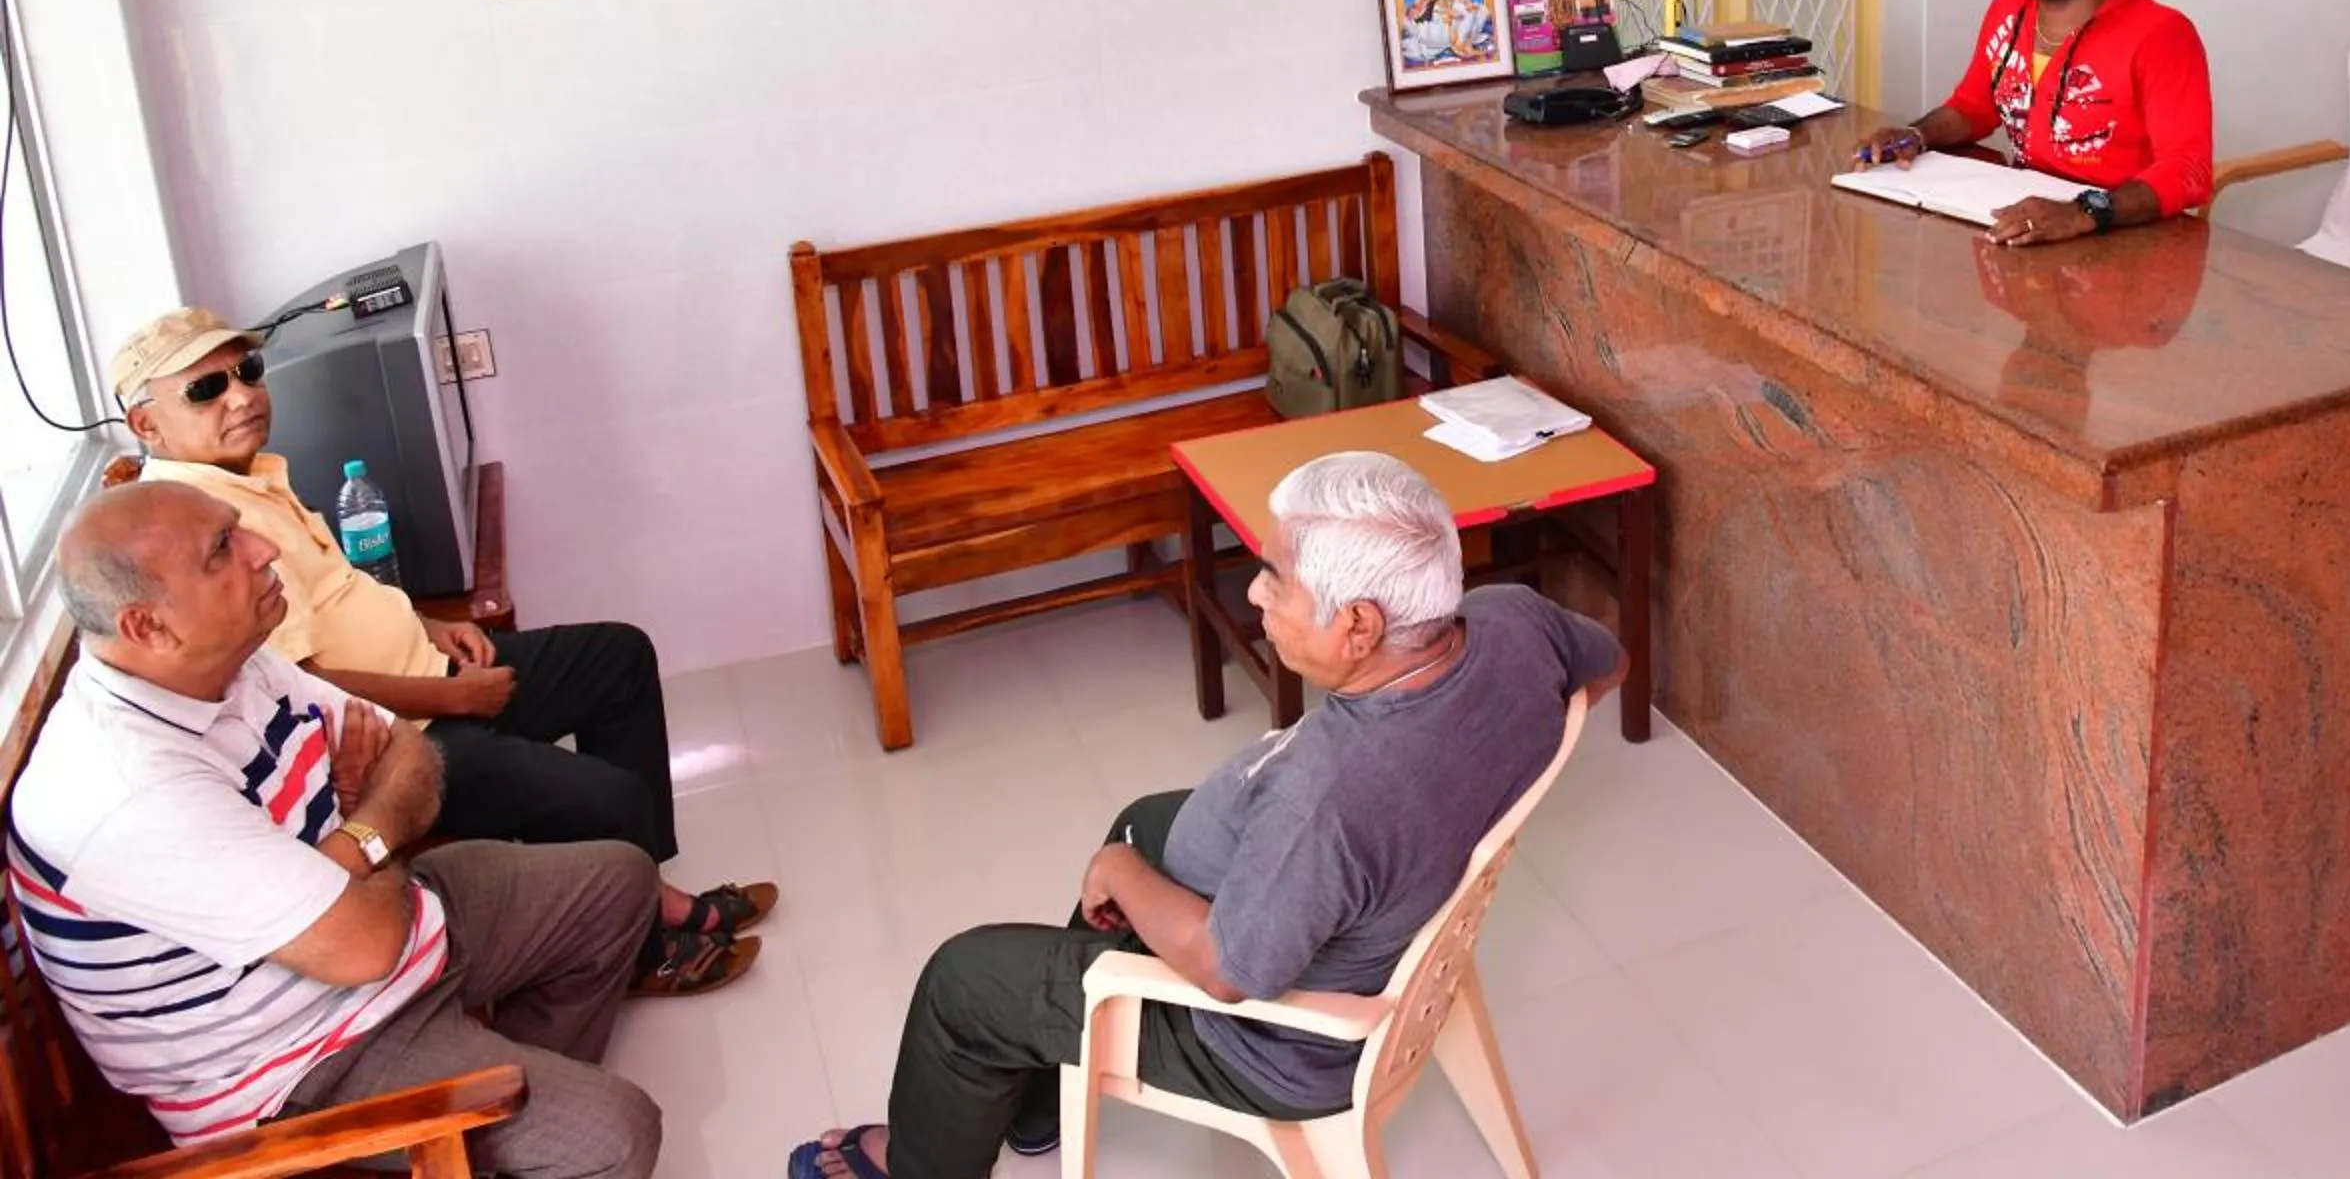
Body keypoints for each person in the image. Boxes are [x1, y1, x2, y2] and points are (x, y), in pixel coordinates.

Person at [795, 452, 1621, 1179]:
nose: (1255, 592)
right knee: (1142, 824)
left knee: (963, 980)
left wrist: (1119, 874)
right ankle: (1040, 1096)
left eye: (1277, 576)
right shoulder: (1514, 619)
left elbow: (1229, 970)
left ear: (1360, 626)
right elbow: (1605, 666)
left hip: (1261, 1045)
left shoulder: (1331, 803)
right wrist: (1473, 777)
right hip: (1353, 890)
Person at [111, 305, 772, 996]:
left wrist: (430, 627)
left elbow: (343, 592)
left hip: (431, 675)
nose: (242, 395)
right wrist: (454, 697)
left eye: (245, 371)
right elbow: (308, 684)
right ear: (147, 424)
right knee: (606, 795)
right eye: (204, 389)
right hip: (398, 737)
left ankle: (647, 893)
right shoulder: (203, 527)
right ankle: (645, 947)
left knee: (618, 658)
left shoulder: (251, 475)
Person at [9, 481, 663, 1177]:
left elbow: (412, 755)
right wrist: (369, 827)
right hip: (300, 1062)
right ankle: (498, 1116)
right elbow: (365, 948)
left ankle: (494, 1115)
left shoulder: (232, 659)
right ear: (148, 626)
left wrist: (354, 841)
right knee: (619, 1134)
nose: (263, 551)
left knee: (621, 880)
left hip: (378, 929)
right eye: (223, 550)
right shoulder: (125, 788)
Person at [1853, 0, 2213, 248]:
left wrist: (2083, 212)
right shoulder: (2009, 6)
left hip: (2123, 238)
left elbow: (2188, 170)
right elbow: (1973, 107)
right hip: (2027, 226)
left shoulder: (2160, 33)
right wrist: (1915, 135)